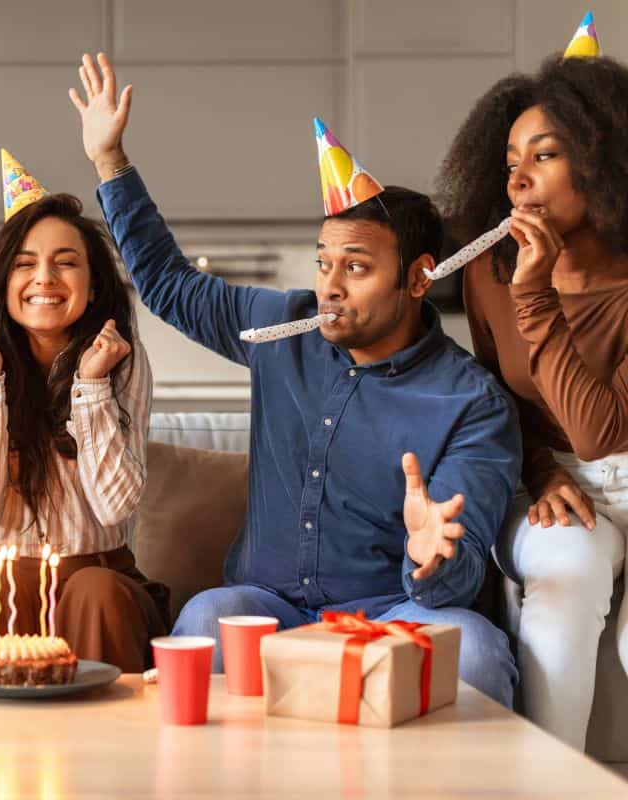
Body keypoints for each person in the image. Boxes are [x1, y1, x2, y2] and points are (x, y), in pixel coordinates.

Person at [70, 53, 520, 704]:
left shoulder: (470, 402)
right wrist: (109, 161)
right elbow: (168, 285)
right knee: (204, 620)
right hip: (270, 611)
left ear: (418, 277)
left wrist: (430, 558)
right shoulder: (283, 328)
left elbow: (458, 572)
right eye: (323, 262)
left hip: (394, 612)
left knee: (475, 648)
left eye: (356, 268)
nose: (329, 286)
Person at [437, 21, 628, 748]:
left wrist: (537, 298)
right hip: (552, 484)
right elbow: (500, 400)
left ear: (605, 163)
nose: (516, 179)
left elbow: (603, 428)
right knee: (567, 573)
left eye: (544, 156)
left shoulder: (529, 285)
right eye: (511, 159)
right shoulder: (494, 274)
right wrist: (540, 470)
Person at [0, 150, 166, 672]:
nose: (45, 278)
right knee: (2, 584)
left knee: (95, 591)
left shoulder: (120, 361)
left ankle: (102, 746)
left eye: (66, 262)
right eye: (25, 263)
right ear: (2, 279)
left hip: (101, 575)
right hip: (4, 572)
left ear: (93, 283)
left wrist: (90, 386)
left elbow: (115, 508)